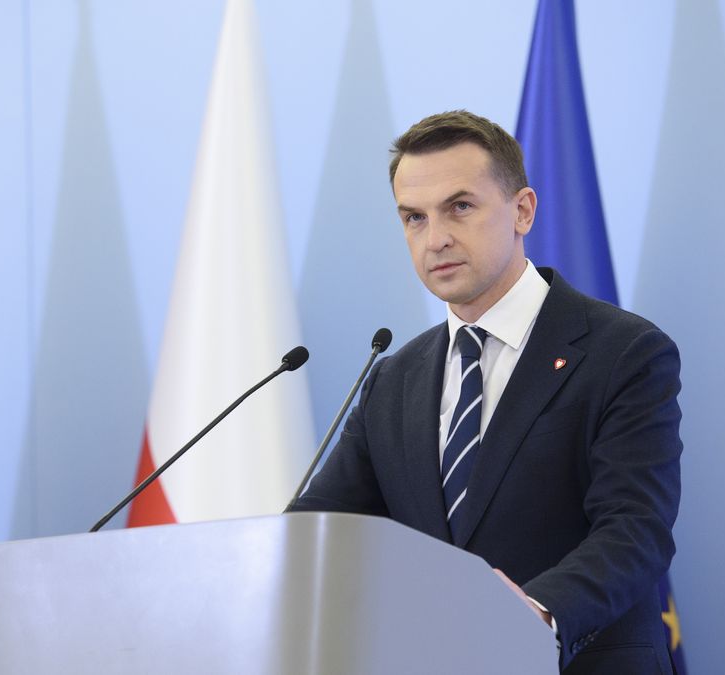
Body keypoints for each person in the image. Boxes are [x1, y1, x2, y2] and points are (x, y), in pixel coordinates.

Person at [290, 110, 682, 674]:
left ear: (522, 210)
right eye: (413, 218)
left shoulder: (625, 352)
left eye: (460, 207)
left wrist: (533, 613)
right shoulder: (393, 379)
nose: (436, 238)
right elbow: (321, 530)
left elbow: (634, 529)